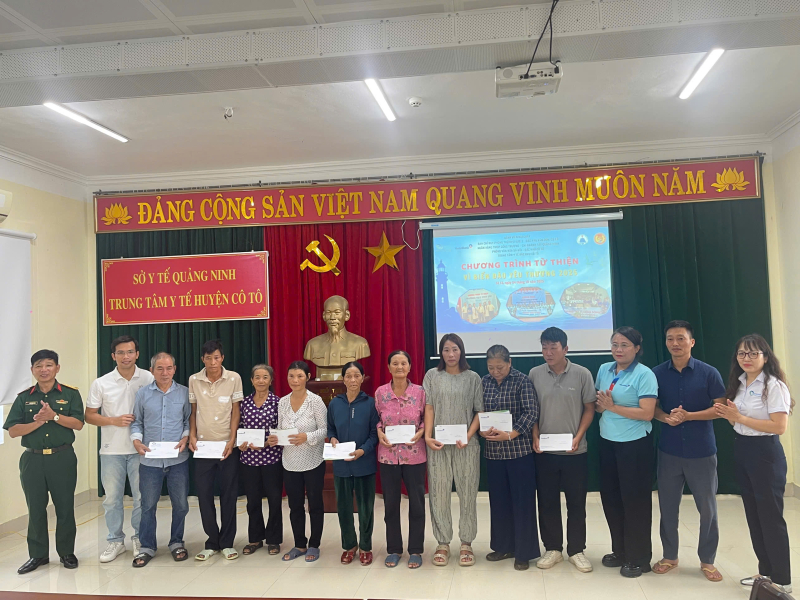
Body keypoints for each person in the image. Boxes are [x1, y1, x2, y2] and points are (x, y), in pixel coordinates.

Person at [714, 334, 793, 594]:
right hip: (743, 449)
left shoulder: (773, 385)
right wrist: (729, 415)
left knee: (770, 517)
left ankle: (781, 579)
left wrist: (739, 417)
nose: (746, 358)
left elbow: (779, 426)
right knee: (754, 515)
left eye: (753, 353)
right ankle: (765, 572)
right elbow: (737, 421)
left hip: (765, 453)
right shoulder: (738, 383)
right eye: (741, 353)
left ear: (765, 357)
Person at [651, 320, 726, 582]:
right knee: (668, 507)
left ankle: (707, 561)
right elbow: (652, 407)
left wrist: (689, 416)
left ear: (691, 342)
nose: (675, 343)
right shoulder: (656, 373)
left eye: (680, 338)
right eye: (670, 339)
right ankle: (670, 556)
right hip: (669, 450)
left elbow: (720, 408)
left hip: (702, 451)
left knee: (707, 509)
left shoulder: (709, 373)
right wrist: (665, 418)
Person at [4, 350, 85, 574]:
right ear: (32, 370)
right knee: (35, 508)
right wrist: (38, 423)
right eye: (39, 366)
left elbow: (78, 424)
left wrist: (54, 416)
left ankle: (66, 552)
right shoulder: (24, 397)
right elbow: (13, 430)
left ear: (57, 368)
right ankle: (38, 555)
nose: (44, 370)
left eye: (49, 365)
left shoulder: (70, 394)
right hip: (32, 459)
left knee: (65, 506)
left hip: (62, 457)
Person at [529, 327, 595, 573]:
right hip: (544, 452)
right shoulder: (535, 374)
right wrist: (535, 435)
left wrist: (579, 436)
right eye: (544, 347)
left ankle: (576, 550)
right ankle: (553, 548)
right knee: (547, 502)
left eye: (553, 347)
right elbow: (532, 409)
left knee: (576, 503)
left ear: (565, 349)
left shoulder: (582, 374)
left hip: (574, 452)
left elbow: (589, 408)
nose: (548, 352)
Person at [595, 326, 658, 578]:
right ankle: (620, 551)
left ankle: (639, 558)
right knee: (611, 499)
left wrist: (612, 406)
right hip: (607, 441)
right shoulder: (604, 369)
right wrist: (603, 406)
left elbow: (647, 413)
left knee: (635, 502)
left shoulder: (645, 374)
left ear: (637, 348)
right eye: (614, 345)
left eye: (624, 345)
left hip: (635, 445)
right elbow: (599, 405)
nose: (618, 350)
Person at [86, 335, 154, 563]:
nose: (126, 356)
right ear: (113, 356)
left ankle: (139, 538)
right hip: (111, 450)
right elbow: (89, 416)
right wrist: (112, 420)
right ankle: (115, 540)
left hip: (141, 449)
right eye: (121, 353)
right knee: (112, 499)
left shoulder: (148, 377)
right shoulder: (101, 383)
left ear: (137, 354)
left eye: (130, 352)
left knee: (141, 498)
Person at [423, 333, 483, 567]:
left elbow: (479, 411)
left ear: (462, 351)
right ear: (441, 352)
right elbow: (429, 408)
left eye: (455, 349)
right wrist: (428, 436)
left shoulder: (473, 378)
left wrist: (468, 436)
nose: (450, 354)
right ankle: (443, 543)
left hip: (466, 445)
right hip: (438, 445)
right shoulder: (432, 375)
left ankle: (466, 542)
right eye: (446, 349)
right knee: (439, 493)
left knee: (468, 493)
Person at [480, 345, 539, 571]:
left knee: (522, 502)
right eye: (491, 367)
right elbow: (479, 412)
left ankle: (524, 552)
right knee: (499, 502)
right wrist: (482, 430)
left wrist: (511, 434)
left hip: (518, 452)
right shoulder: (484, 382)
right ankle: (503, 546)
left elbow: (531, 412)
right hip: (493, 453)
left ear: (510, 362)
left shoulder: (522, 381)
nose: (495, 372)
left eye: (500, 367)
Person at [130, 352, 190, 568]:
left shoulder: (184, 393)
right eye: (160, 368)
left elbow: (188, 421)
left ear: (174, 369)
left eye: (169, 368)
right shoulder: (142, 394)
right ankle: (147, 546)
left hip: (178, 459)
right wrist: (136, 441)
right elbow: (136, 422)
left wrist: (186, 437)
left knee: (181, 504)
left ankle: (177, 542)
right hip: (150, 461)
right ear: (152, 370)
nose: (165, 373)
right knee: (147, 506)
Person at [188, 340, 243, 561]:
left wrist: (232, 439)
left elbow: (236, 411)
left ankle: (227, 543)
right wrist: (192, 435)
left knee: (229, 495)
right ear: (203, 359)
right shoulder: (194, 380)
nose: (213, 362)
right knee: (204, 495)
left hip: (227, 447)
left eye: (217, 357)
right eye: (208, 358)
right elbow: (193, 411)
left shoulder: (234, 378)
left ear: (222, 358)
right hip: (203, 447)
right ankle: (212, 541)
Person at [375, 350, 427, 569]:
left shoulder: (420, 392)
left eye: (403, 363)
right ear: (388, 367)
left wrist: (421, 431)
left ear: (409, 367)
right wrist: (379, 432)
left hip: (414, 455)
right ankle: (394, 549)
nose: (399, 367)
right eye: (394, 363)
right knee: (390, 505)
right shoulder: (380, 393)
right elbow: (378, 420)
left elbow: (425, 419)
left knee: (417, 504)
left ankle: (415, 550)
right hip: (388, 456)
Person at [272, 360, 328, 563]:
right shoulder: (282, 402)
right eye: (291, 376)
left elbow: (324, 430)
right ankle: (299, 544)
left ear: (308, 377)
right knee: (295, 505)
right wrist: (275, 438)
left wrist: (307, 437)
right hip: (290, 462)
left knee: (315, 504)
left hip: (313, 460)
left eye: (299, 376)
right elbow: (281, 428)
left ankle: (314, 544)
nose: (295, 380)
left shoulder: (315, 401)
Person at [327, 361, 379, 566]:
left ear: (363, 378)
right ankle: (349, 546)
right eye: (348, 376)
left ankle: (365, 546)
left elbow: (375, 434)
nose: (352, 380)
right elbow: (330, 428)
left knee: (366, 508)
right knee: (344, 508)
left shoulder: (370, 403)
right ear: (343, 379)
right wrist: (332, 438)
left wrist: (362, 450)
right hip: (341, 464)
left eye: (357, 375)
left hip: (364, 463)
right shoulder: (335, 403)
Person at [238, 364, 283, 556]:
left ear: (271, 380)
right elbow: (239, 426)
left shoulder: (278, 403)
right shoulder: (244, 403)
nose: (261, 381)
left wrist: (269, 441)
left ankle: (273, 539)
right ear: (251, 380)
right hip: (249, 460)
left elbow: (282, 429)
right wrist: (240, 443)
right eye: (257, 377)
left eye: (265, 377)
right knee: (253, 501)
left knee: (274, 500)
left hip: (272, 459)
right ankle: (255, 538)